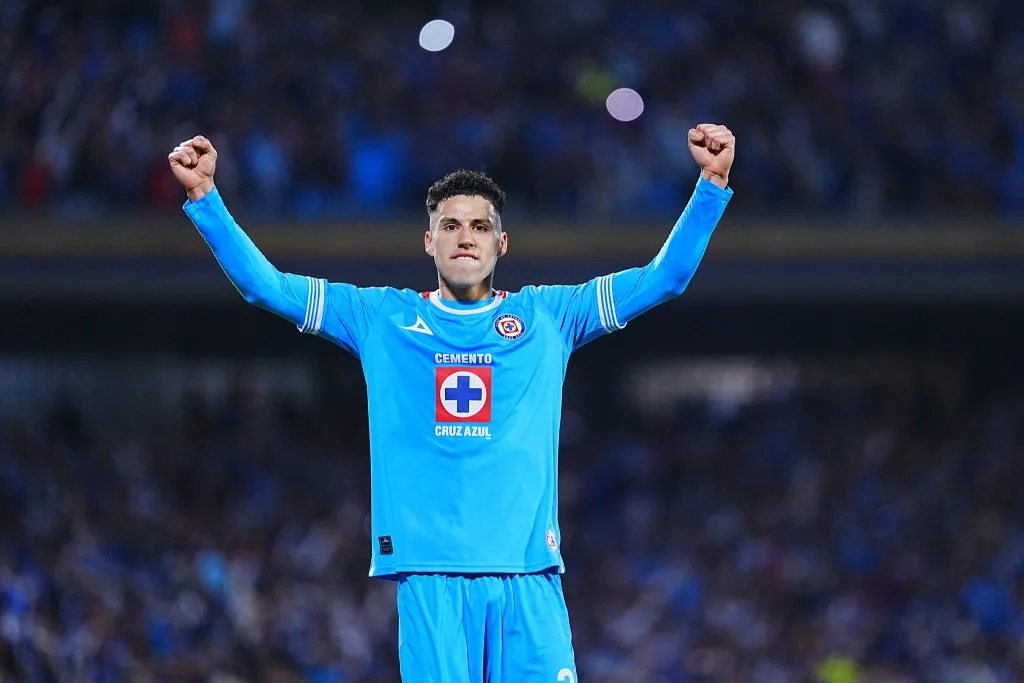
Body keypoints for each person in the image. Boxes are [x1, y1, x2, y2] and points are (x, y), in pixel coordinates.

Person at [168, 123, 735, 682]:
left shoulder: (549, 316)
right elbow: (265, 286)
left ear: (501, 243)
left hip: (528, 575)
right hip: (431, 579)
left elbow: (665, 278)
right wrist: (205, 198)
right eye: (451, 225)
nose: (466, 237)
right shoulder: (380, 318)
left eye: (481, 226)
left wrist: (711, 185)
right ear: (429, 241)